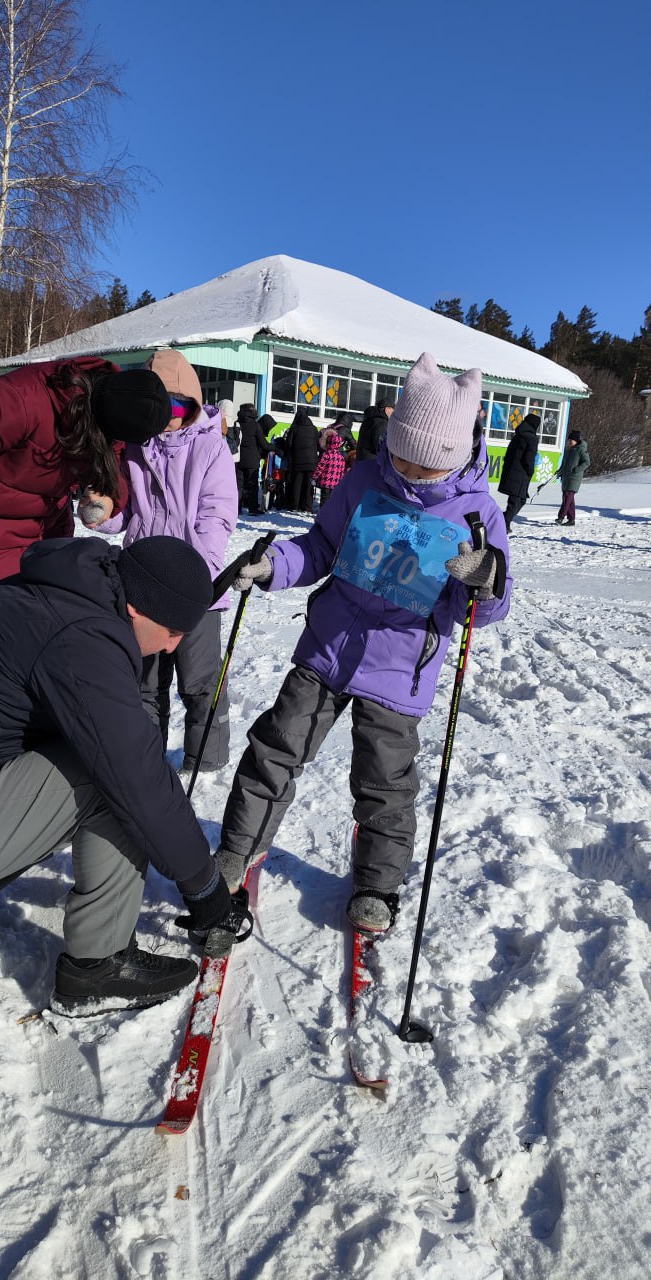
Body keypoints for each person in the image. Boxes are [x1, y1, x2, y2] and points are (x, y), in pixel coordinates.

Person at [213, 353, 511, 934]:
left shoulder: (477, 514)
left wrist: (484, 579)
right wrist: (273, 564)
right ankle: (236, 849)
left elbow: (486, 609)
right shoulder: (364, 480)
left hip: (400, 672)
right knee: (275, 750)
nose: (410, 472)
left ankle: (377, 883)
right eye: (401, 455)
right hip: (326, 648)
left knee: (384, 785)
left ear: (455, 454)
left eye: (427, 466)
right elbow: (320, 546)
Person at [0, 535, 234, 1012]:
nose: (175, 645)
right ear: (138, 608)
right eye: (174, 630)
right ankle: (98, 966)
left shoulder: (69, 592)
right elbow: (136, 779)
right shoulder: (79, 638)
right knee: (107, 778)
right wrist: (206, 888)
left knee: (88, 751)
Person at [86, 351, 238, 771]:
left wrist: (197, 577)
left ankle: (206, 758)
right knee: (145, 681)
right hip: (142, 583)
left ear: (192, 404)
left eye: (179, 405)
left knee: (200, 679)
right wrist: (102, 511)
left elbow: (217, 516)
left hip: (196, 588)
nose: (169, 415)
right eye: (161, 405)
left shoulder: (210, 447)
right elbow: (126, 514)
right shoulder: (135, 448)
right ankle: (146, 755)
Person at [0, 358, 170, 614]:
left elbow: (116, 455)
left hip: (46, 537)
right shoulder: (20, 402)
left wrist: (108, 495)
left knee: (39, 637)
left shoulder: (110, 416)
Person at [497, 412, 540, 531]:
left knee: (518, 500)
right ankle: (504, 523)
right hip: (521, 473)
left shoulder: (518, 435)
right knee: (517, 501)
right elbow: (529, 458)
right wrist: (530, 471)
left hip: (511, 471)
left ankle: (504, 520)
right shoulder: (531, 438)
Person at [237, 404, 271, 515]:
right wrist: (275, 448)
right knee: (252, 485)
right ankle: (252, 509)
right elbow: (264, 444)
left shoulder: (237, 423)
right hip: (252, 459)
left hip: (238, 458)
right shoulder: (255, 425)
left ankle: (237, 508)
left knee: (239, 485)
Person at [285, 406, 320, 513]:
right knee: (309, 485)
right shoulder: (314, 429)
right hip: (311, 461)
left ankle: (295, 506)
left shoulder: (294, 428)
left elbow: (289, 444)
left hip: (297, 461)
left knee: (297, 484)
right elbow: (317, 444)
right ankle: (307, 507)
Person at [556, 429, 591, 527]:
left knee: (567, 497)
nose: (570, 441)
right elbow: (564, 464)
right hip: (566, 478)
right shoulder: (568, 451)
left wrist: (576, 470)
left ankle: (560, 517)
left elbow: (586, 462)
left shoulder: (581, 450)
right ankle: (571, 519)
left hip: (574, 478)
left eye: (572, 440)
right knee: (568, 499)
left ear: (577, 440)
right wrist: (560, 471)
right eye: (569, 439)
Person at [312, 430, 346, 505]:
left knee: (324, 498)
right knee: (331, 499)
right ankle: (328, 514)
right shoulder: (341, 456)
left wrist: (314, 478)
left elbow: (320, 467)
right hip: (336, 482)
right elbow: (342, 471)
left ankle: (322, 514)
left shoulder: (327, 454)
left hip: (326, 481)